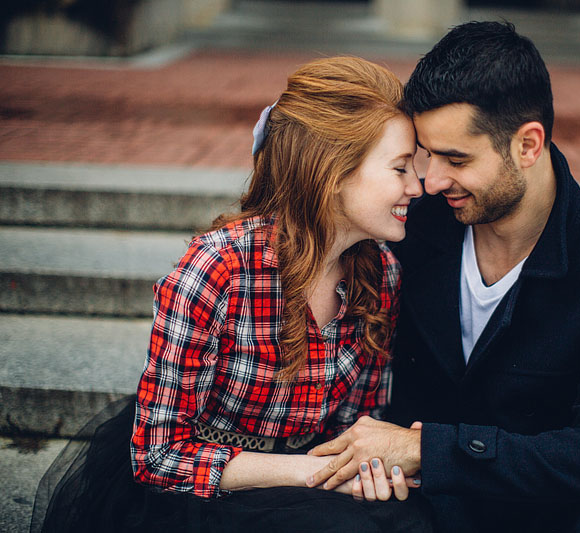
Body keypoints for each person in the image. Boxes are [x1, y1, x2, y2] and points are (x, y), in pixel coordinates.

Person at [31, 56, 432, 533]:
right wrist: (313, 474)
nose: (418, 187)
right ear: (333, 173)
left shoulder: (380, 273)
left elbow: (358, 422)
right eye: (401, 169)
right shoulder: (218, 270)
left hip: (310, 476)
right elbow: (158, 454)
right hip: (207, 483)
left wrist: (367, 472)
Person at [306, 22, 580, 532]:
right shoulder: (411, 223)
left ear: (528, 145)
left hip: (554, 504)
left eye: (457, 159)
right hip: (425, 501)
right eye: (427, 154)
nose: (431, 180)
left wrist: (427, 449)